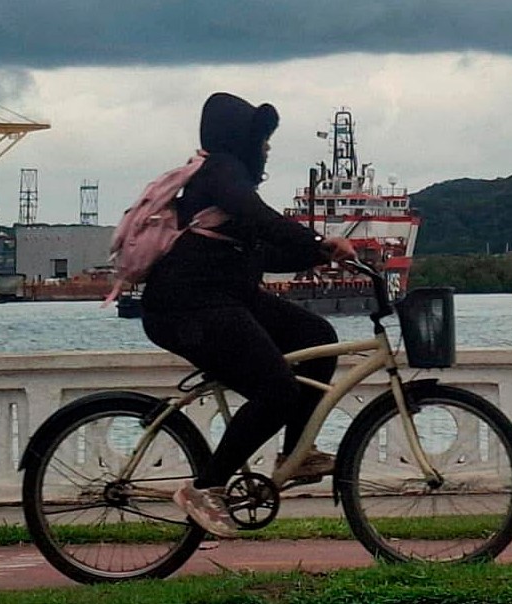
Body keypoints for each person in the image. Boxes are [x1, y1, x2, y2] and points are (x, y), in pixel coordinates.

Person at [140, 92, 357, 537]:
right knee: (276, 389)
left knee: (317, 337)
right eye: (263, 140)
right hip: (187, 306)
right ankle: (208, 488)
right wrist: (316, 243)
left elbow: (260, 252)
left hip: (226, 297)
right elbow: (257, 217)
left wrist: (319, 256)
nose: (267, 149)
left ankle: (295, 454)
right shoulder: (221, 170)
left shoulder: (224, 183)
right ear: (241, 140)